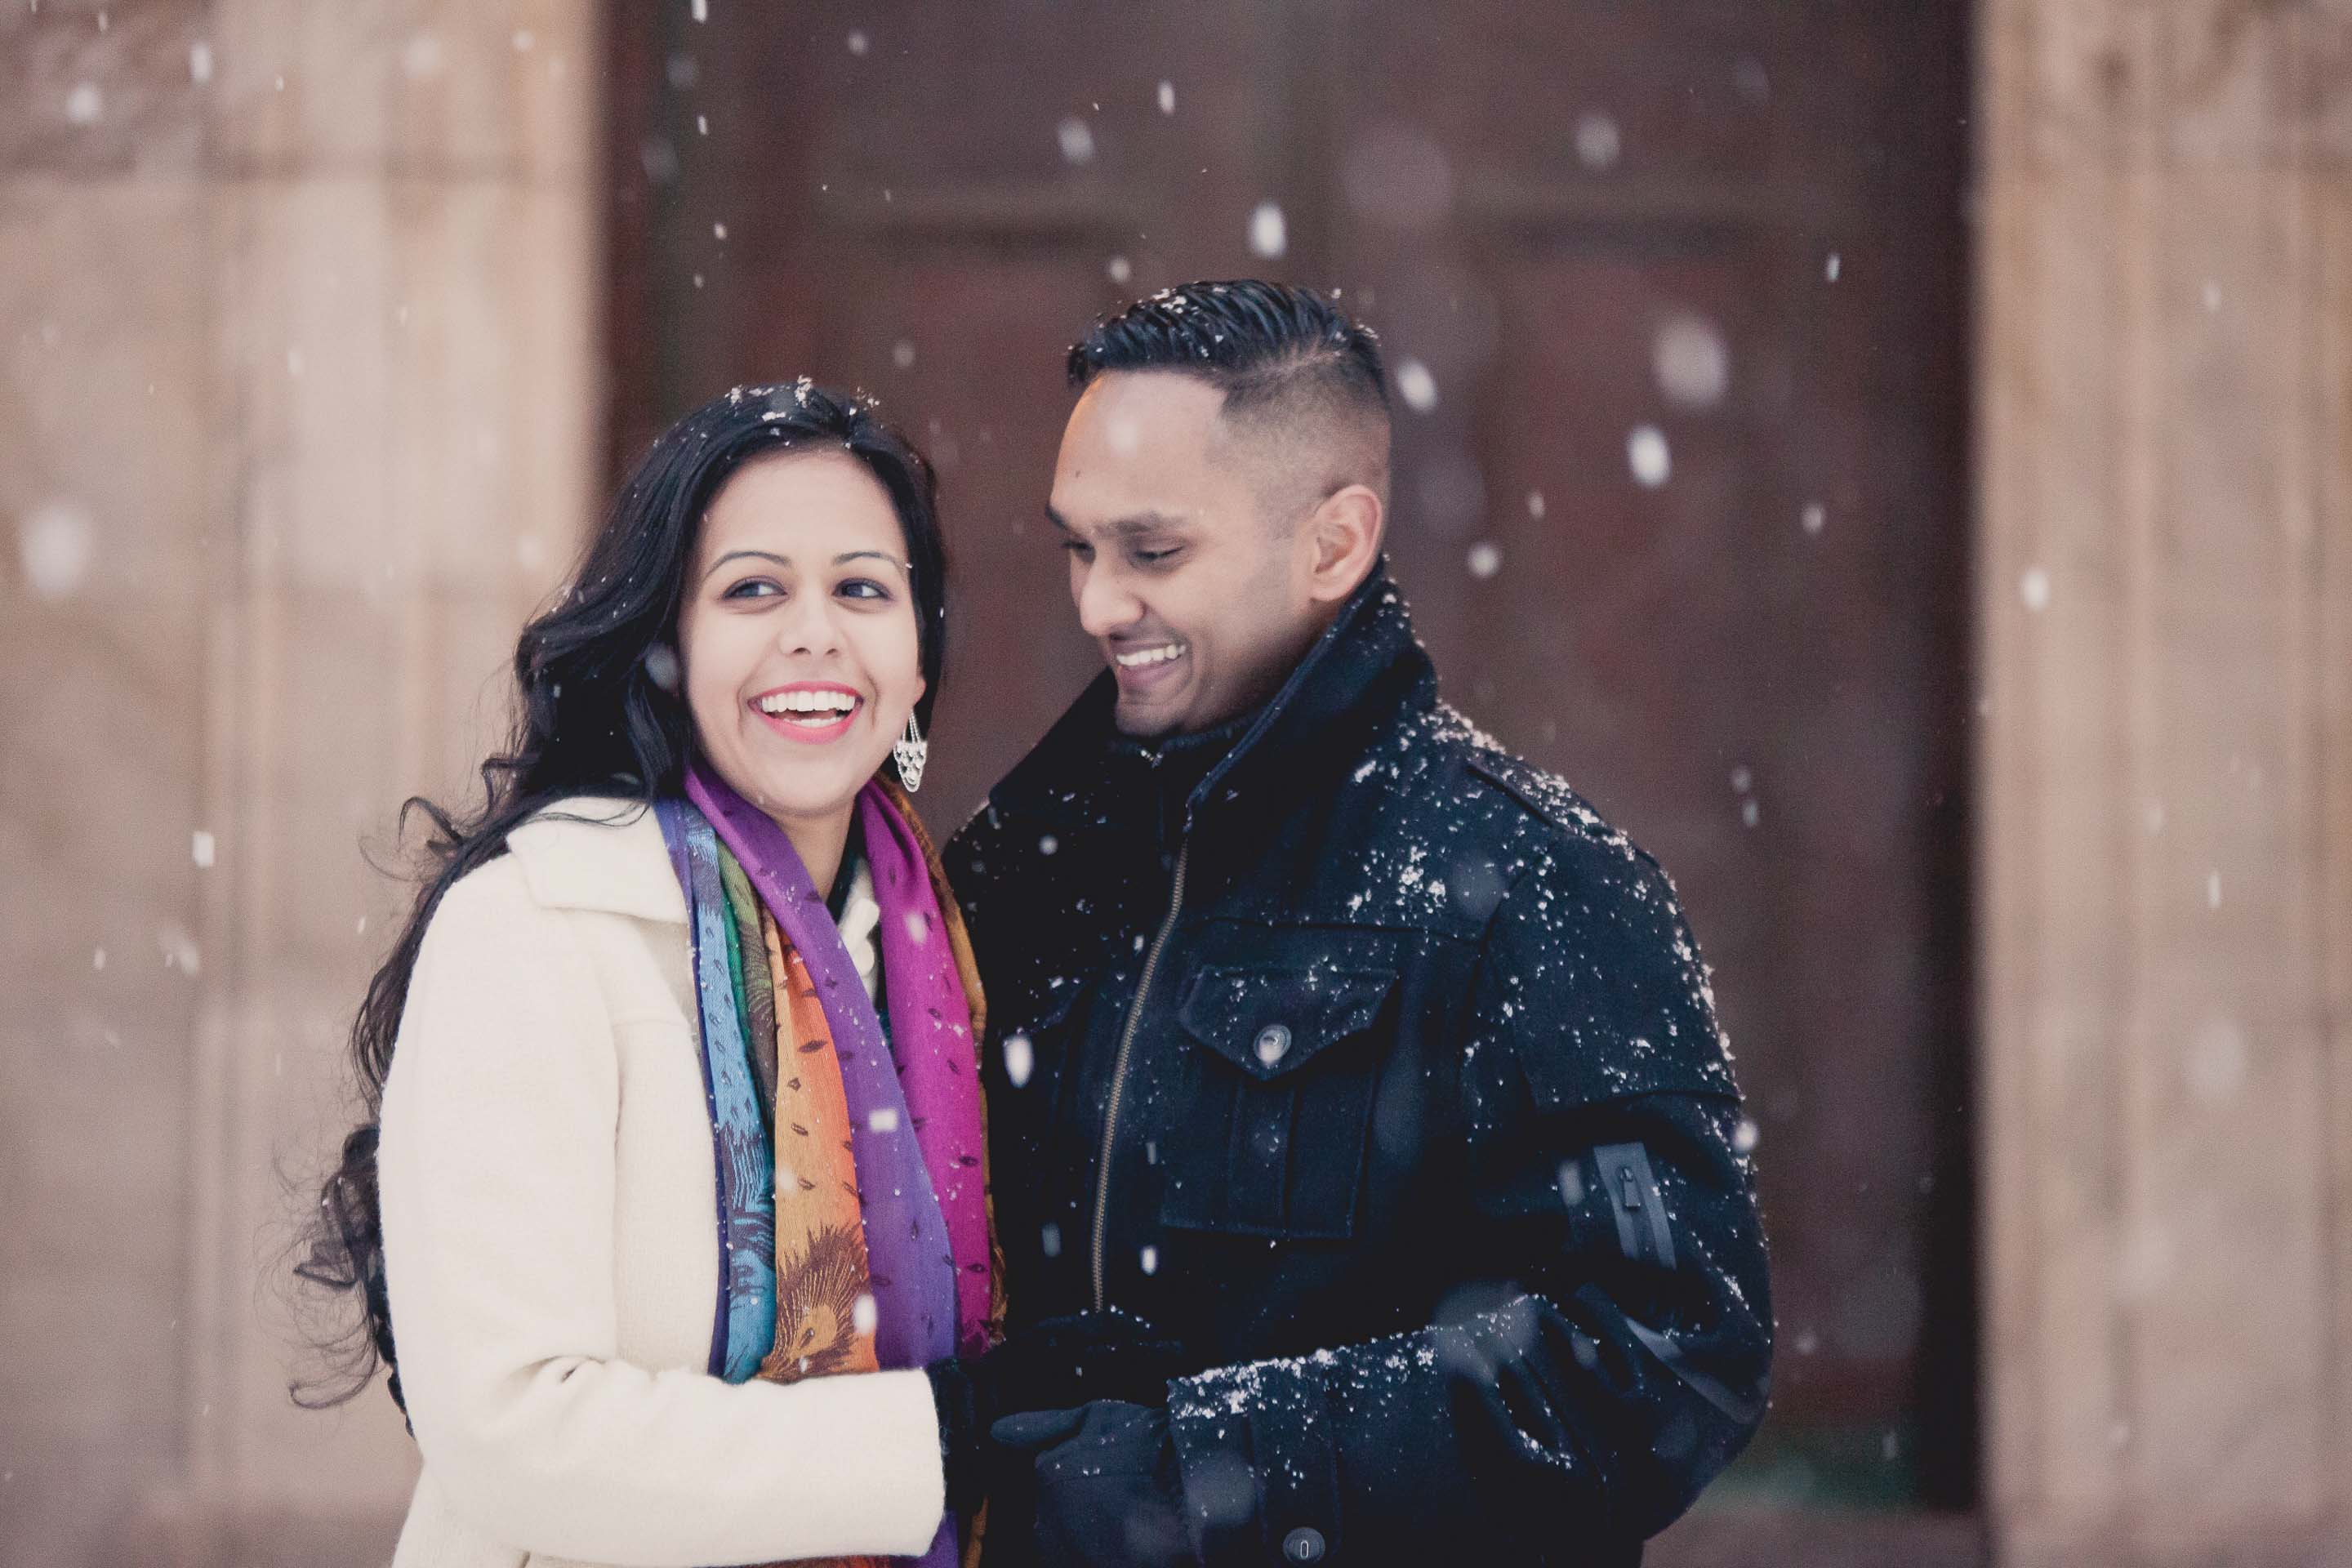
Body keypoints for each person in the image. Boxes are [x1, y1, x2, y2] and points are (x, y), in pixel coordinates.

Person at [947, 283, 1773, 1566]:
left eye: (1153, 552)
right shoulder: (1025, 868)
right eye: (1078, 548)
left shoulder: (1537, 883)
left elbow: (1663, 1356)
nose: (1100, 604)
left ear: (1333, 545)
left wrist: (1196, 1475)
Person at [297, 383, 1178, 1568]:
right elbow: (510, 1436)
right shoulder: (536, 928)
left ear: (918, 664)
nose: (814, 632)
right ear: (668, 648)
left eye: (863, 589)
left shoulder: (952, 957)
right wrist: (943, 1437)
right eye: (753, 589)